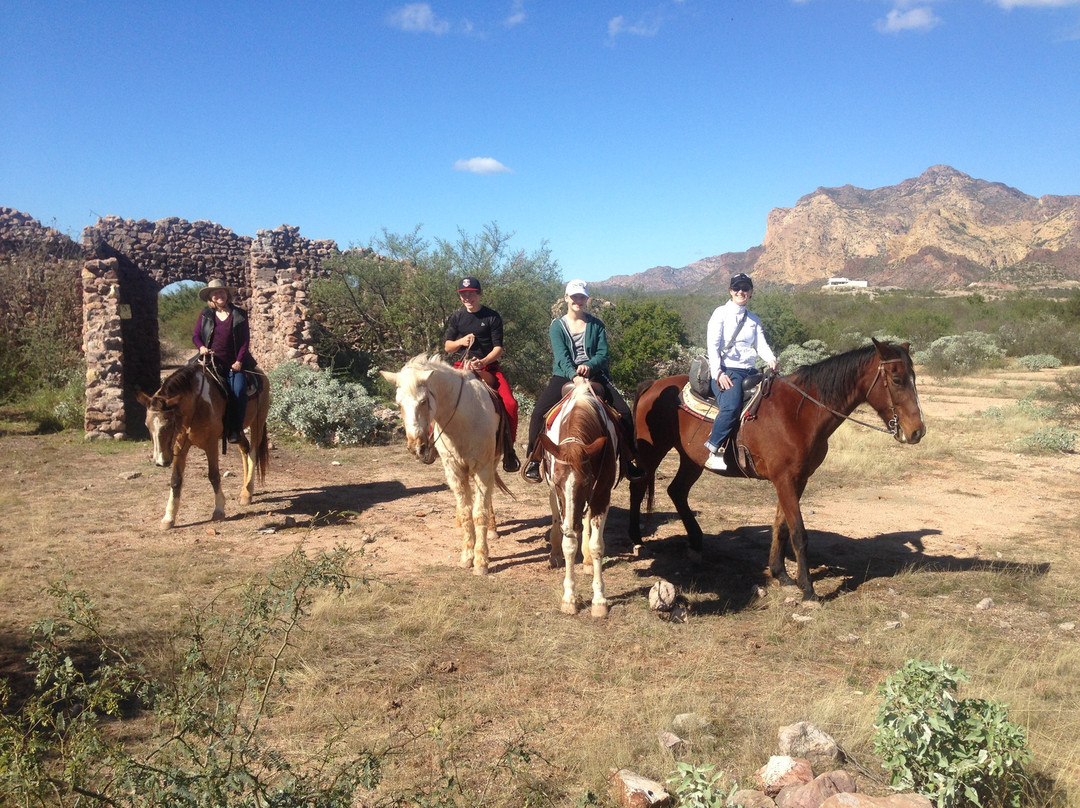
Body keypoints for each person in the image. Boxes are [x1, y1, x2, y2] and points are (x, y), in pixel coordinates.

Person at [522, 280, 643, 483]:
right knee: (538, 413)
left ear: (587, 299)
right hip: (563, 375)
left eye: (582, 297)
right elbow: (561, 356)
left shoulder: (596, 325)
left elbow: (603, 354)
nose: (578, 301)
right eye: (574, 297)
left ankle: (629, 460)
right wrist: (574, 375)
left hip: (595, 375)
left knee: (624, 413)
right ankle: (534, 459)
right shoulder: (557, 327)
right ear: (567, 298)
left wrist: (590, 366)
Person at [444, 276, 520, 473]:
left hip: (488, 368)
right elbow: (448, 347)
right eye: (463, 294)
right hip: (461, 367)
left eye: (471, 293)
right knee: (440, 398)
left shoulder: (492, 317)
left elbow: (498, 349)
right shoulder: (457, 317)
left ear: (479, 294)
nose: (467, 297)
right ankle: (431, 446)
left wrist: (483, 362)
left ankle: (509, 450)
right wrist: (461, 342)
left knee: (510, 404)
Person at [703, 272, 777, 471]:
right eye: (737, 288)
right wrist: (718, 373)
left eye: (745, 288)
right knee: (731, 406)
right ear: (730, 290)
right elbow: (713, 345)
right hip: (727, 370)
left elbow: (761, 344)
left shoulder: (753, 319)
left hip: (749, 370)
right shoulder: (720, 313)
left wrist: (771, 359)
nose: (741, 292)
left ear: (751, 292)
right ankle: (714, 448)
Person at [193, 278, 256, 444]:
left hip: (234, 364)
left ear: (227, 294)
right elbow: (196, 336)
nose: (218, 295)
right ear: (211, 297)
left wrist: (239, 362)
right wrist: (201, 347)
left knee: (239, 391)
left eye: (221, 292)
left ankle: (235, 430)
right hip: (211, 362)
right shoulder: (206, 313)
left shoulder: (239, 314)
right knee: (192, 386)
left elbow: (244, 341)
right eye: (215, 293)